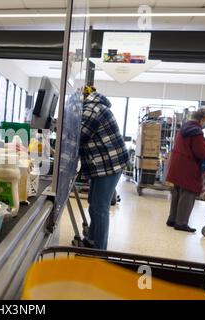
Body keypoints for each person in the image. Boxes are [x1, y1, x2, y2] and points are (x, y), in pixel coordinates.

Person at [79, 86, 129, 250]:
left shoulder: (91, 110)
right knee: (93, 203)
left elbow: (79, 136)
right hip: (105, 162)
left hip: (109, 164)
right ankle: (92, 240)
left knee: (100, 207)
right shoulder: (94, 106)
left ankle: (99, 250)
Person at [166, 108, 205, 233]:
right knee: (188, 193)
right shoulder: (196, 132)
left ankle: (172, 219)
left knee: (177, 192)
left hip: (176, 164)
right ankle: (181, 223)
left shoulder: (184, 128)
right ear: (202, 119)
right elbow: (201, 153)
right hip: (188, 166)